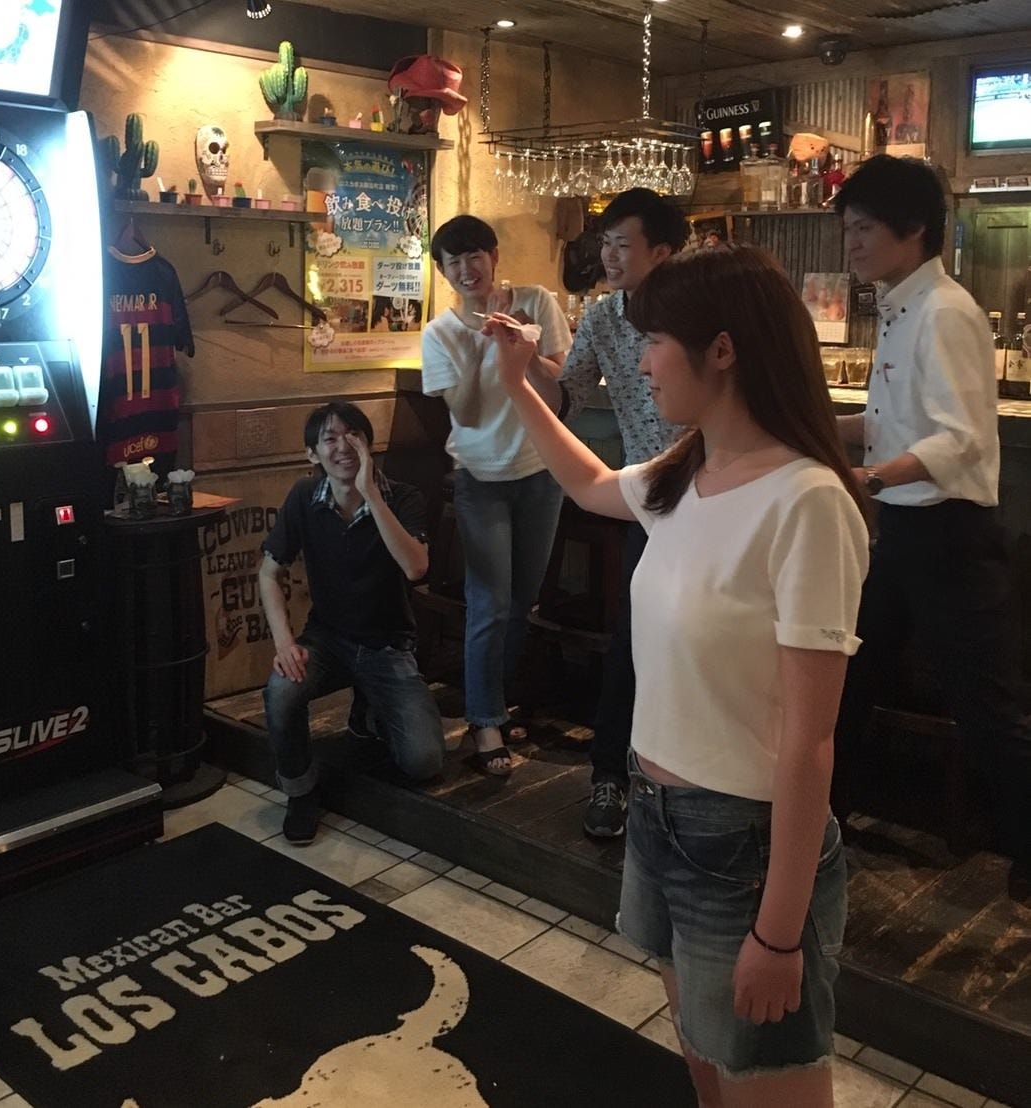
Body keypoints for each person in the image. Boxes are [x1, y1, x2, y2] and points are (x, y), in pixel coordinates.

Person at [484, 243, 869, 1106]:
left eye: (656, 341)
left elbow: (810, 740)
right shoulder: (688, 469)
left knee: (764, 1085)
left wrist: (779, 934)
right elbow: (590, 483)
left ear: (722, 350)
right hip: (656, 815)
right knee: (706, 1069)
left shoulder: (808, 501)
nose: (643, 361)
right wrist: (516, 384)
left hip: (744, 845)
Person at [831, 155, 1031, 898]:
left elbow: (962, 440)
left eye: (863, 228)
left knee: (990, 708)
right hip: (904, 534)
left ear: (913, 228)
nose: (851, 243)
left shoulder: (946, 311)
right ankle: (819, 819)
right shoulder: (900, 307)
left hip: (951, 538)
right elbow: (889, 421)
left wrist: (873, 478)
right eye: (848, 228)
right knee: (847, 676)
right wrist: (813, 428)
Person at [557, 188, 688, 836]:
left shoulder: (701, 309)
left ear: (660, 252)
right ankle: (610, 775)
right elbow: (570, 394)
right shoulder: (604, 317)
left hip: (714, 495)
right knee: (632, 642)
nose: (608, 256)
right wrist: (517, 366)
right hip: (648, 503)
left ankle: (687, 786)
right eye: (604, 243)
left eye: (621, 244)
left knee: (702, 645)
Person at [421, 215, 571, 775]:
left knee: (522, 601)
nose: (466, 270)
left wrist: (523, 343)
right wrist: (478, 347)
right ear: (443, 271)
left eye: (474, 256)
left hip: (541, 472)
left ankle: (501, 704)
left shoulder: (536, 303)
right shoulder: (440, 333)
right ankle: (485, 721)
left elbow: (558, 393)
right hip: (480, 479)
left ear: (494, 257)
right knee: (490, 603)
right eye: (453, 262)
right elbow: (466, 412)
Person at [259, 401, 445, 844]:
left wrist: (372, 495)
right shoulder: (305, 497)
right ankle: (301, 792)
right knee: (281, 690)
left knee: (424, 761)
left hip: (387, 645)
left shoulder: (403, 497)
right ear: (312, 454)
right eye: (330, 438)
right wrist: (284, 644)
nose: (343, 446)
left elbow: (416, 567)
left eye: (353, 435)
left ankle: (369, 710)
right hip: (328, 640)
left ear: (368, 444)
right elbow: (268, 573)